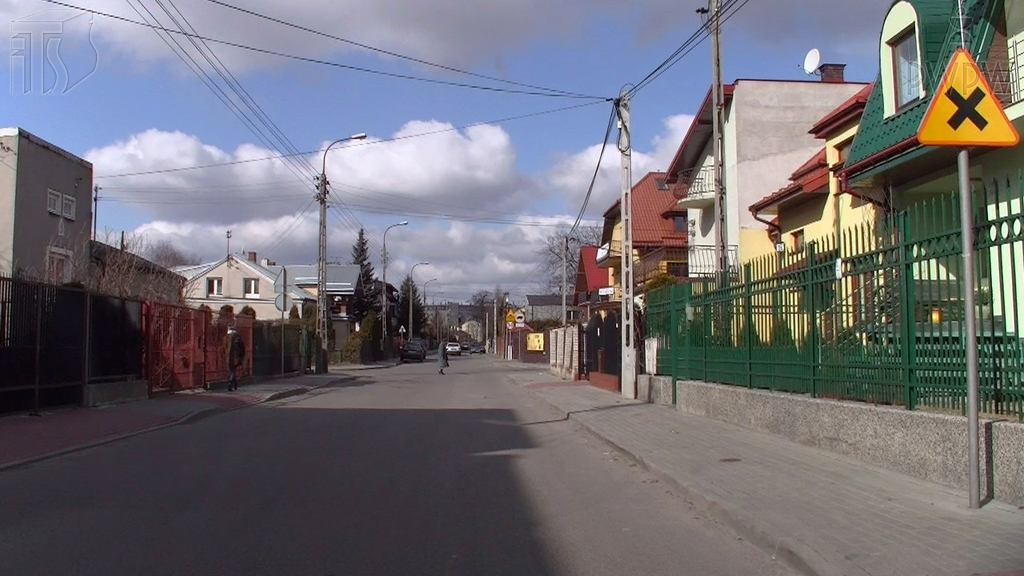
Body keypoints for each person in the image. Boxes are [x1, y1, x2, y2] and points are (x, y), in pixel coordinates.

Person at [224, 326, 245, 391]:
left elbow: (224, 347)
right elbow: (242, 348)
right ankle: (230, 384)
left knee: (232, 371)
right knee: (233, 371)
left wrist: (225, 354)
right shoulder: (237, 337)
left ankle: (234, 384)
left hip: (228, 357)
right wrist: (241, 356)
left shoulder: (226, 338)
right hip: (236, 357)